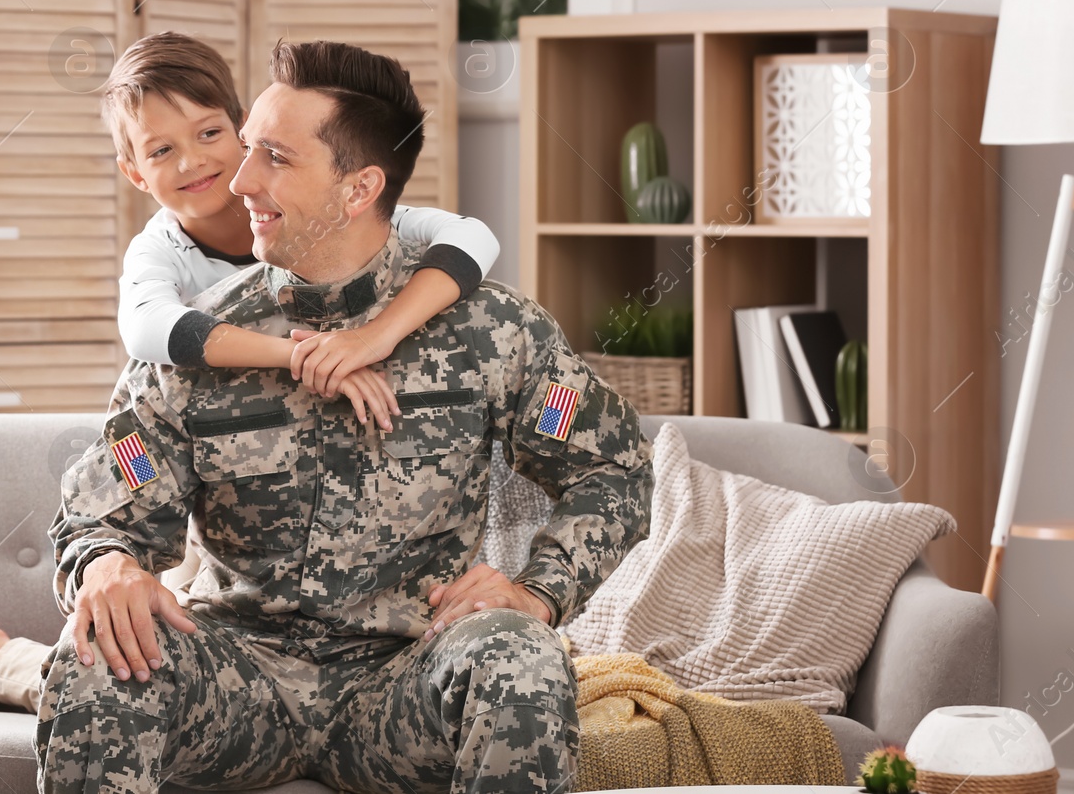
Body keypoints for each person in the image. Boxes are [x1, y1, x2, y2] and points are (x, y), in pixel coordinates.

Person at [35, 39, 652, 792]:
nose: (238, 178)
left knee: (522, 653)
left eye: (274, 157)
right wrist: (106, 564)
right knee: (92, 650)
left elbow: (612, 468)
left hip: (405, 683)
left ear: (359, 188)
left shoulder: (494, 332)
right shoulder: (190, 342)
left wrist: (540, 588)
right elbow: (101, 514)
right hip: (238, 683)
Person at [108, 30, 499, 431]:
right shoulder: (158, 251)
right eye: (161, 150)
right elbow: (145, 328)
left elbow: (472, 236)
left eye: (209, 134)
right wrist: (304, 355)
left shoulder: (328, 213)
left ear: (244, 129)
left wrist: (375, 337)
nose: (192, 161)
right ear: (135, 172)